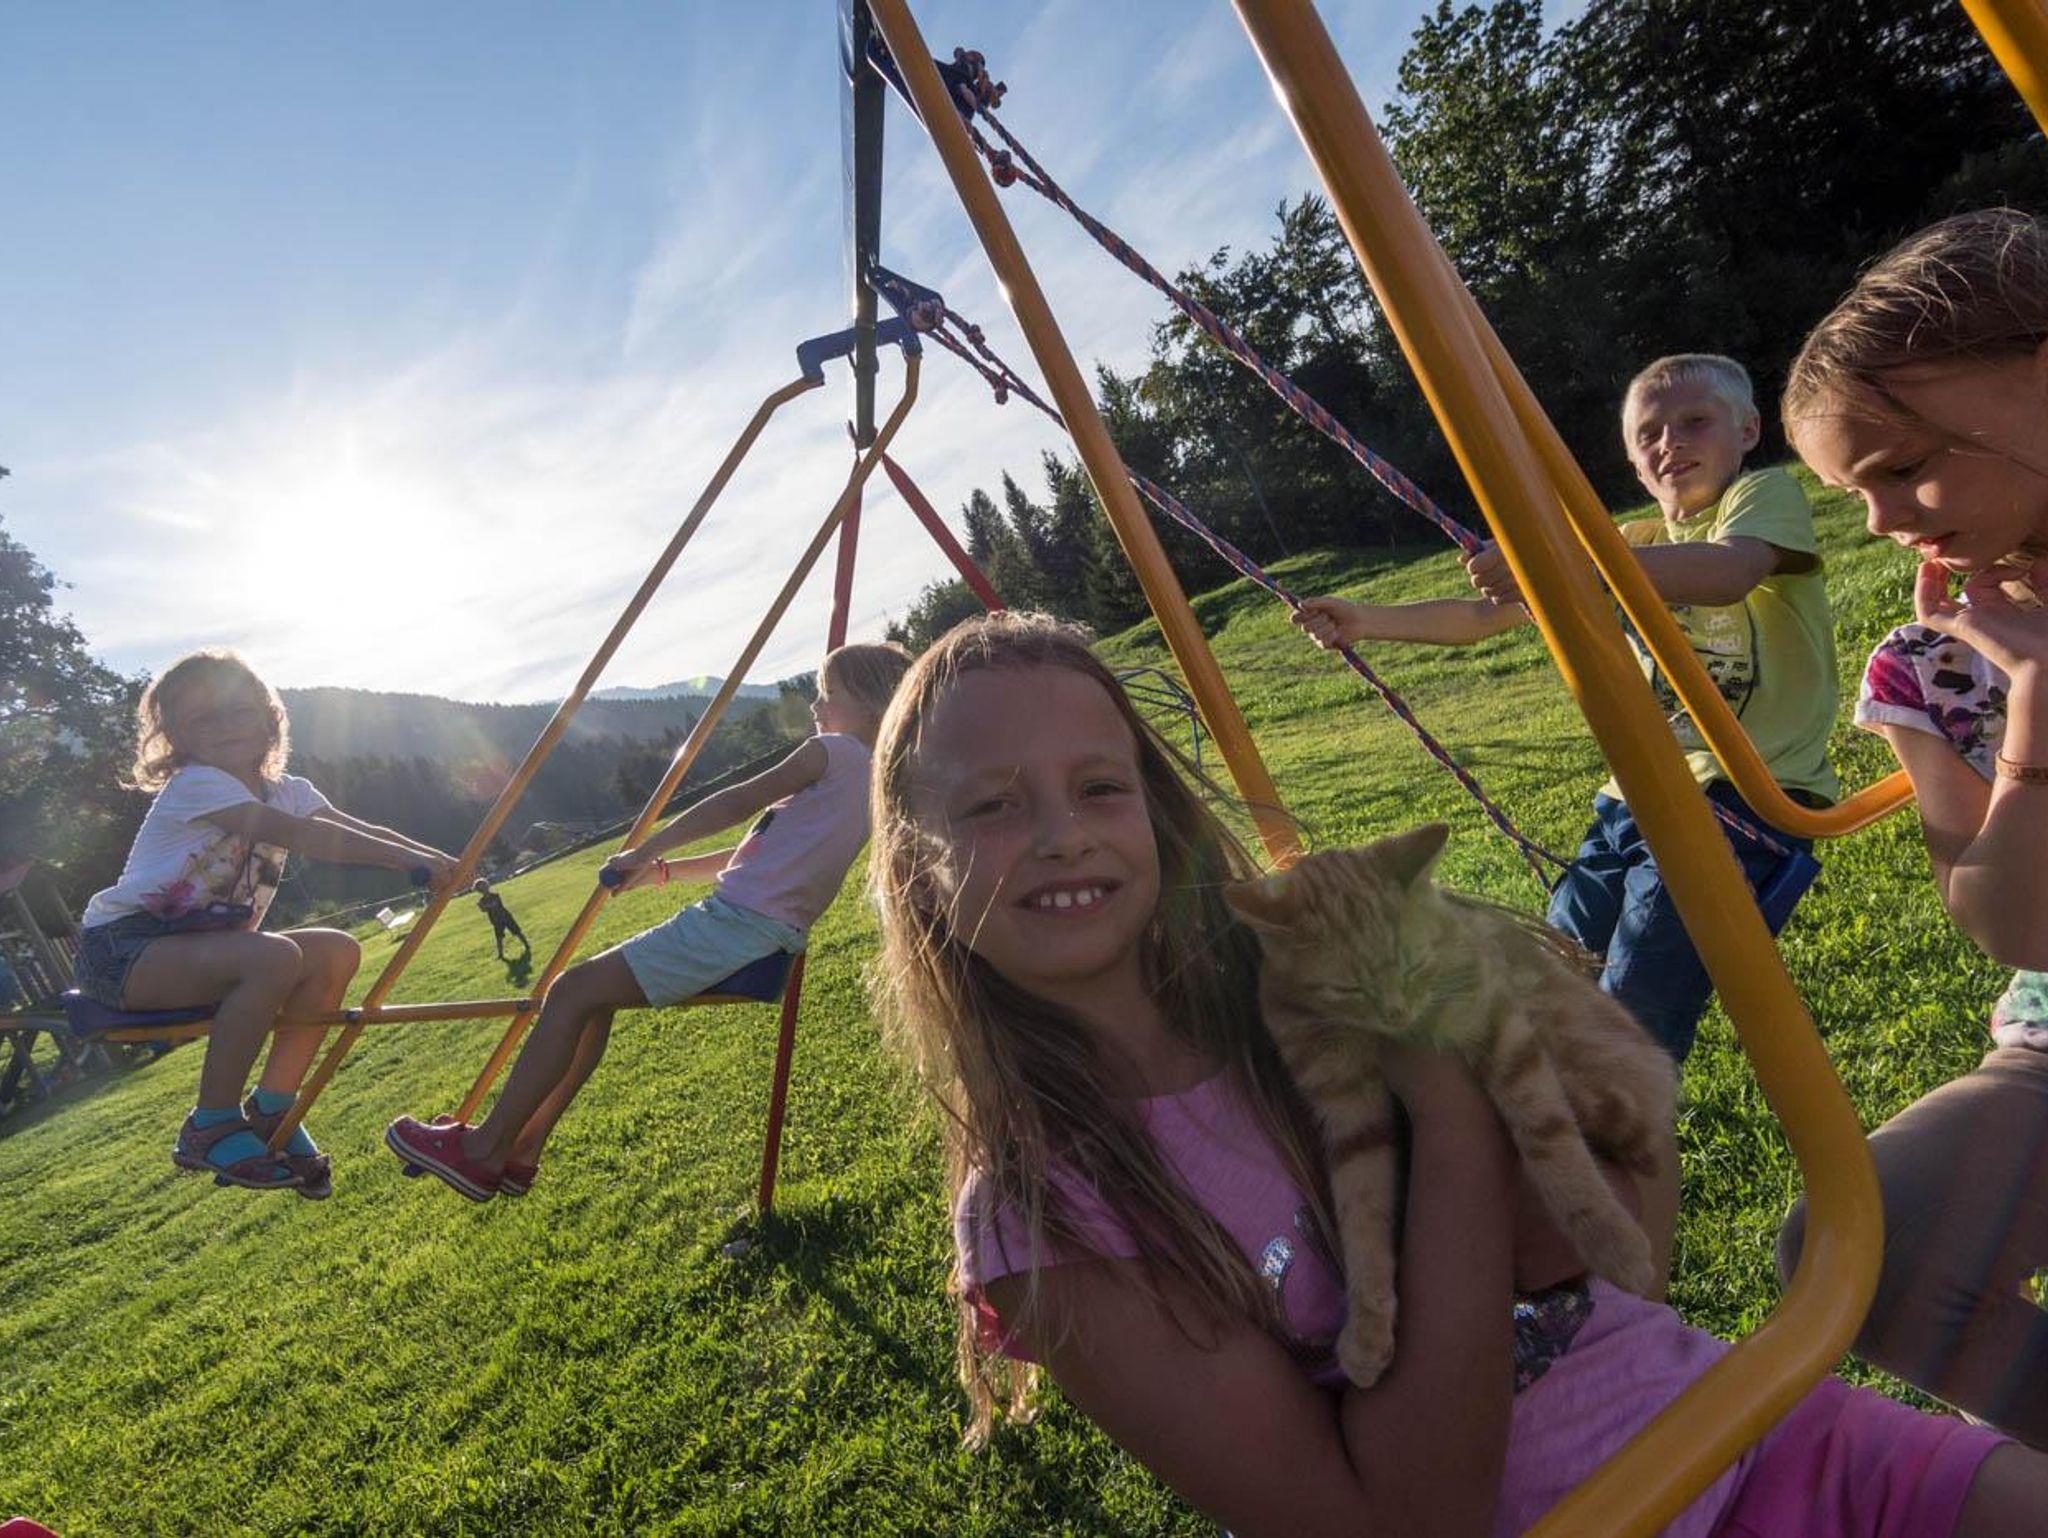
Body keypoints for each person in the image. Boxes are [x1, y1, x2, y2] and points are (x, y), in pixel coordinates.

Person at [868, 610, 2044, 1537]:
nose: (1061, 833)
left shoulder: (1298, 975)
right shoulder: (1048, 1212)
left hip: (1752, 1429)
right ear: (915, 865)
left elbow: (1621, 1254)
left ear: (1153, 808)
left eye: (1097, 786)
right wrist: (1446, 1101)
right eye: (992, 804)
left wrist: (1530, 1042)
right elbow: (1400, 1520)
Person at [1293, 354, 1839, 1061]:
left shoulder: (1761, 497)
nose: (1670, 443)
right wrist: (1368, 619)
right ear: (1633, 463)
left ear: (1748, 430)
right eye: (1648, 435)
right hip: (1631, 800)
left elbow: (1730, 571)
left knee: (1633, 1008)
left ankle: (1614, 1117)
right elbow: (1482, 616)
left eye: (1695, 422)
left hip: (1742, 797)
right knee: (1550, 971)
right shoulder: (1627, 544)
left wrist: (1564, 566)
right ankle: (1549, 1104)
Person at [1776, 207, 2048, 1450]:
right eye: (1853, 491)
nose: (1881, 521)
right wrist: (2034, 696)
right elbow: (2010, 925)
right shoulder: (1930, 665)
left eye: (1900, 466)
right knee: (1855, 1253)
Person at [386, 641, 913, 1201]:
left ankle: (483, 1151)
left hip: (737, 925)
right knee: (591, 1005)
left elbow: (735, 802)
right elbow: (759, 853)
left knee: (569, 991)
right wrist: (661, 872)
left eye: (828, 694)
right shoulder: (872, 778)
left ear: (872, 702)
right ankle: (522, 1150)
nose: (815, 707)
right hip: (760, 929)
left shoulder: (833, 752)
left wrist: (645, 848)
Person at [74, 651, 459, 1196]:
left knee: (335, 950)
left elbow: (353, 827)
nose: (225, 727)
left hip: (207, 949)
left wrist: (439, 859)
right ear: (176, 738)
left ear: (269, 718)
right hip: (124, 950)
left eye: (238, 711)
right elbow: (303, 836)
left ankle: (273, 1108)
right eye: (203, 719)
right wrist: (409, 864)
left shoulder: (289, 790)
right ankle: (210, 1123)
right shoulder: (198, 784)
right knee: (274, 956)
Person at [472, 877, 529, 961]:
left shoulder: (495, 895)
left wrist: (484, 906)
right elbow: (484, 910)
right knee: (499, 938)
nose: (484, 889)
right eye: (481, 888)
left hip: (506, 917)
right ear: (479, 891)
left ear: (487, 886)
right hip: (496, 921)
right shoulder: (482, 900)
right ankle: (500, 955)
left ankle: (526, 944)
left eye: (484, 886)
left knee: (517, 931)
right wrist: (481, 906)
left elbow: (494, 904)